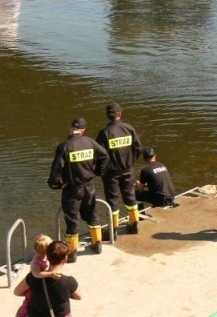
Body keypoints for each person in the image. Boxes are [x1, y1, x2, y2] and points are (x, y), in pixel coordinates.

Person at [48, 117, 109, 262]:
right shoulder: (90, 142)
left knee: (72, 220)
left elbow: (56, 169)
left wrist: (56, 184)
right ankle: (97, 245)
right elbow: (105, 156)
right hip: (89, 186)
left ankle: (71, 253)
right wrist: (98, 172)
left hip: (71, 188)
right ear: (83, 130)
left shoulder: (64, 146)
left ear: (71, 128)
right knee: (92, 215)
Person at [96, 101, 144, 236]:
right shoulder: (129, 128)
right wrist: (130, 162)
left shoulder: (104, 132)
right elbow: (139, 148)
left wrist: (101, 170)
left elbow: (99, 155)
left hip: (111, 173)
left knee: (112, 200)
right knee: (130, 197)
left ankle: (113, 230)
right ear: (120, 114)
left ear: (107, 116)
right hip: (127, 169)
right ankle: (134, 225)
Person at [13, 240, 81, 317]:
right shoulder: (69, 282)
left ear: (47, 257)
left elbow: (17, 292)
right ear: (65, 259)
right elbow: (79, 296)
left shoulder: (33, 277)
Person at [15, 234, 61, 317]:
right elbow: (36, 274)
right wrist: (50, 274)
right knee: (29, 302)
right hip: (34, 284)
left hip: (42, 283)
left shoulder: (46, 257)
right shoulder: (36, 262)